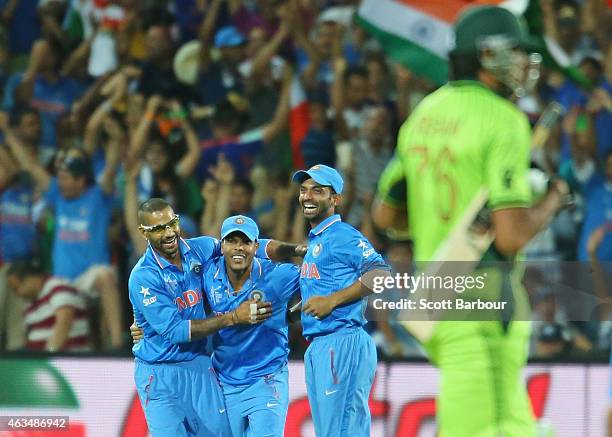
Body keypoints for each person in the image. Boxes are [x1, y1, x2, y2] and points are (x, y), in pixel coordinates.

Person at [373, 6, 572, 437]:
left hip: (436, 296)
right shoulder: (504, 120)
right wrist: (554, 198)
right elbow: (513, 233)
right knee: (495, 428)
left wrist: (436, 223)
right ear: (487, 54)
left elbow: (386, 215)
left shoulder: (424, 112)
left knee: (507, 424)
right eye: (516, 51)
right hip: (481, 303)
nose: (525, 63)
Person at [129, 198, 302, 436]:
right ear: (143, 233)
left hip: (200, 364)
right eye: (158, 228)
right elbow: (176, 331)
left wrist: (294, 250)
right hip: (160, 372)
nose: (168, 233)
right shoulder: (143, 276)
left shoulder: (200, 249)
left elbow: (253, 245)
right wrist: (232, 318)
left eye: (171, 224)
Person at [291, 164, 389, 437]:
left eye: (318, 191)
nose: (307, 196)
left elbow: (381, 274)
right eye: (304, 190)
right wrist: (300, 310)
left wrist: (333, 301)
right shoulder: (318, 240)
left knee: (343, 430)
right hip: (321, 344)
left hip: (342, 342)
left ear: (335, 199)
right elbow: (325, 288)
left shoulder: (342, 235)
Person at [202, 215, 300, 437]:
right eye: (232, 241)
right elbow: (178, 298)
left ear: (256, 246)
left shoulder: (277, 275)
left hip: (267, 378)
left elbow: (319, 284)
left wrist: (290, 316)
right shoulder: (208, 274)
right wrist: (142, 325)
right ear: (222, 245)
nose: (239, 248)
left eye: (245, 242)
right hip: (224, 381)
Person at [7, 259, 90, 352]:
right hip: (37, 359)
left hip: (65, 358)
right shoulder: (29, 304)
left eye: (16, 288)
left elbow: (64, 322)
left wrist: (48, 356)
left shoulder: (58, 287)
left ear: (30, 279)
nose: (17, 294)